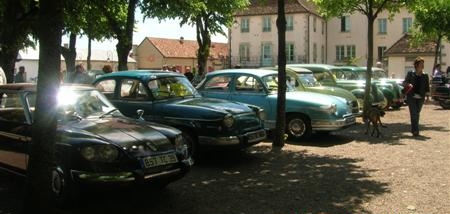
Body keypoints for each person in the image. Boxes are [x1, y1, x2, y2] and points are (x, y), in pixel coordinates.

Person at [403, 56, 430, 137]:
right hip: (411, 96)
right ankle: (415, 130)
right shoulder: (410, 73)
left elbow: (427, 87)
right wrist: (408, 84)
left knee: (417, 113)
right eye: (421, 64)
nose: (423, 65)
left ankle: (414, 129)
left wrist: (427, 97)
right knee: (414, 113)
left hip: (421, 97)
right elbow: (404, 83)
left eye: (423, 64)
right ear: (417, 65)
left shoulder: (425, 75)